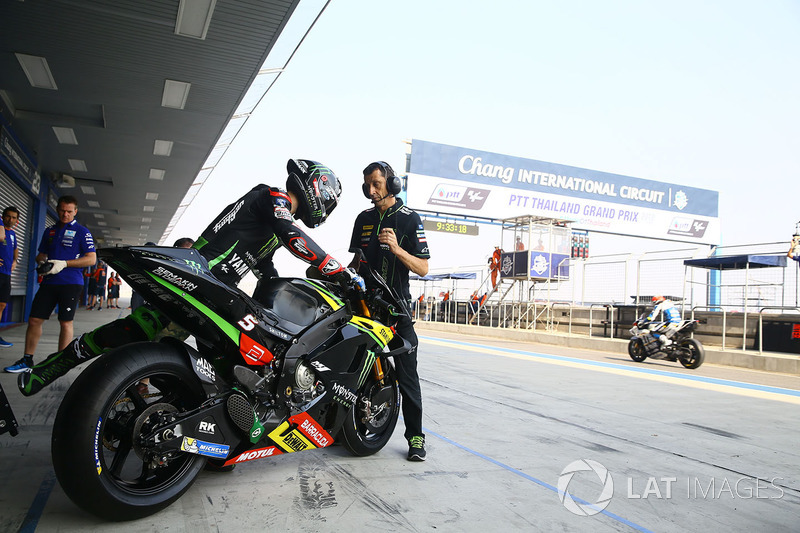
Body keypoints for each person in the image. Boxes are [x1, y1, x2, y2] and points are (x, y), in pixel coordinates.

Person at [16, 159, 359, 396]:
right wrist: (339, 270)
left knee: (203, 352)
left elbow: (266, 269)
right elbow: (292, 236)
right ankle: (50, 369)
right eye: (329, 197)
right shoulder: (273, 198)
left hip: (215, 292)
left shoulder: (273, 222)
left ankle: (217, 427)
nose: (328, 206)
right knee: (136, 331)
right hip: (201, 279)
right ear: (318, 188)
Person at [349, 160, 430, 462]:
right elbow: (356, 262)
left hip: (396, 311)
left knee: (407, 376)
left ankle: (416, 437)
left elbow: (423, 268)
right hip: (364, 310)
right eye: (367, 185)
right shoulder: (363, 218)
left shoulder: (409, 219)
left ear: (392, 184)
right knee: (354, 371)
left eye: (377, 184)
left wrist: (397, 250)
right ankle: (350, 427)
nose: (371, 191)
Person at [4, 196, 96, 373]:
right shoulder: (50, 231)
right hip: (49, 282)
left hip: (71, 282)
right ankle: (27, 359)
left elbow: (91, 259)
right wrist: (43, 262)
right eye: (62, 210)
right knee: (34, 319)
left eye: (69, 211)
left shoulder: (82, 231)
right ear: (57, 209)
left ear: (75, 211)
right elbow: (40, 254)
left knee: (65, 322)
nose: (65, 214)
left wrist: (65, 263)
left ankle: (59, 363)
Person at [0, 206, 20, 347]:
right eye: (8, 216)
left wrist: (14, 261)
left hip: (6, 275)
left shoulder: (12, 234)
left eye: (13, 217)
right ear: (3, 217)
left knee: (1, 305)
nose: (10, 219)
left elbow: (15, 249)